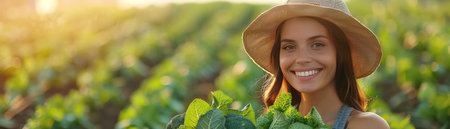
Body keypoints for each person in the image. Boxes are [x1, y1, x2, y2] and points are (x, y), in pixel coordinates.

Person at [242, 0, 390, 128]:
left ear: (341, 53)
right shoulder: (274, 123)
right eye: (289, 47)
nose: (301, 58)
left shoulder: (368, 125)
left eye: (317, 44)